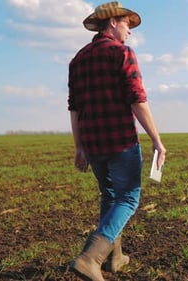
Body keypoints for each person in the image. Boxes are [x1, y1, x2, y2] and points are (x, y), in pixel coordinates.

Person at [67, 1, 166, 280]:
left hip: (93, 144)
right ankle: (91, 257)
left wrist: (79, 146)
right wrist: (157, 140)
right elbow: (137, 99)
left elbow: (74, 106)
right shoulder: (122, 53)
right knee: (128, 198)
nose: (130, 32)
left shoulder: (78, 59)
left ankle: (115, 257)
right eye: (127, 25)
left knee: (109, 196)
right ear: (112, 22)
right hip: (121, 141)